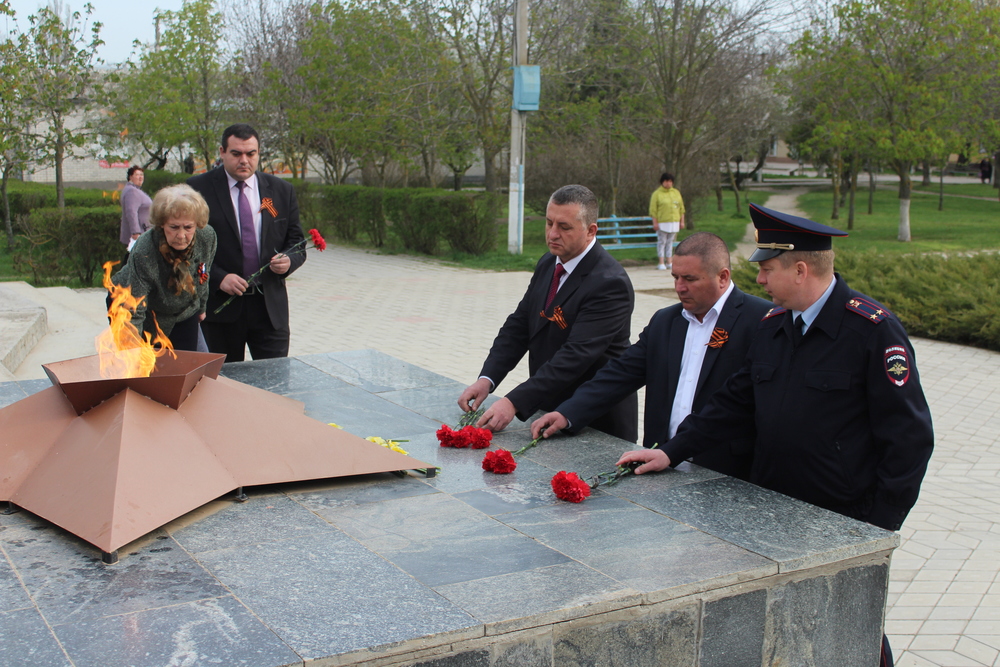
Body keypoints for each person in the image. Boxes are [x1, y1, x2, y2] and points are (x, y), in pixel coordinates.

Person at [615, 203, 933, 667]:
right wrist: (671, 451)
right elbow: (732, 402)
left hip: (840, 515)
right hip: (771, 507)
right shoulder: (773, 326)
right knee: (780, 626)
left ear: (800, 269)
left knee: (850, 627)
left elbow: (909, 440)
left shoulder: (872, 331)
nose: (759, 281)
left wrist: (877, 528)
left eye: (766, 270)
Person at [531, 232, 771, 479]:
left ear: (722, 277)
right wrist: (568, 413)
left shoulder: (761, 320)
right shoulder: (665, 321)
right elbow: (620, 374)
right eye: (675, 277)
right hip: (659, 462)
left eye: (689, 279)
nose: (679, 287)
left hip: (725, 469)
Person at [458, 184, 638, 441]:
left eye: (564, 227)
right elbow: (519, 326)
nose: (553, 234)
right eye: (549, 223)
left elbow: (576, 355)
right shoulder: (548, 263)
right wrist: (487, 379)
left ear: (590, 231)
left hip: (593, 420)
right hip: (547, 407)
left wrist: (513, 402)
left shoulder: (609, 283)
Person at [187, 123, 306, 362]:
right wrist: (218, 278)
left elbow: (296, 242)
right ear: (222, 152)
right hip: (219, 311)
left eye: (250, 154)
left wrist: (288, 260)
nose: (244, 160)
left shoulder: (280, 191)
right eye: (236, 153)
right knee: (223, 387)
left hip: (269, 309)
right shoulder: (197, 191)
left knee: (275, 383)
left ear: (258, 153)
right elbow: (186, 251)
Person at [110, 184, 217, 351]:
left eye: (188, 227)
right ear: (161, 224)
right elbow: (135, 306)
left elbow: (203, 274)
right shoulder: (144, 251)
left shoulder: (207, 237)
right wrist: (132, 351)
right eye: (173, 227)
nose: (181, 236)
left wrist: (202, 307)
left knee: (190, 364)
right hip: (142, 308)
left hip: (183, 308)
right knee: (150, 366)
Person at [648, 172, 684, 271]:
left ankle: (669, 261)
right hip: (662, 222)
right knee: (662, 242)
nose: (668, 183)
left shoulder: (676, 193)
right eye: (666, 181)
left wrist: (682, 221)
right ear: (662, 182)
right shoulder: (657, 194)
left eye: (670, 181)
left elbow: (681, 208)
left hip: (674, 221)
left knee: (670, 242)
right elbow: (653, 210)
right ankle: (661, 262)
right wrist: (655, 222)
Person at [119, 166, 152, 251]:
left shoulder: (135, 190)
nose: (141, 177)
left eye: (142, 175)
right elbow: (131, 212)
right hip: (140, 233)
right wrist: (135, 232)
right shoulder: (132, 191)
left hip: (144, 231)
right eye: (137, 175)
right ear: (130, 177)